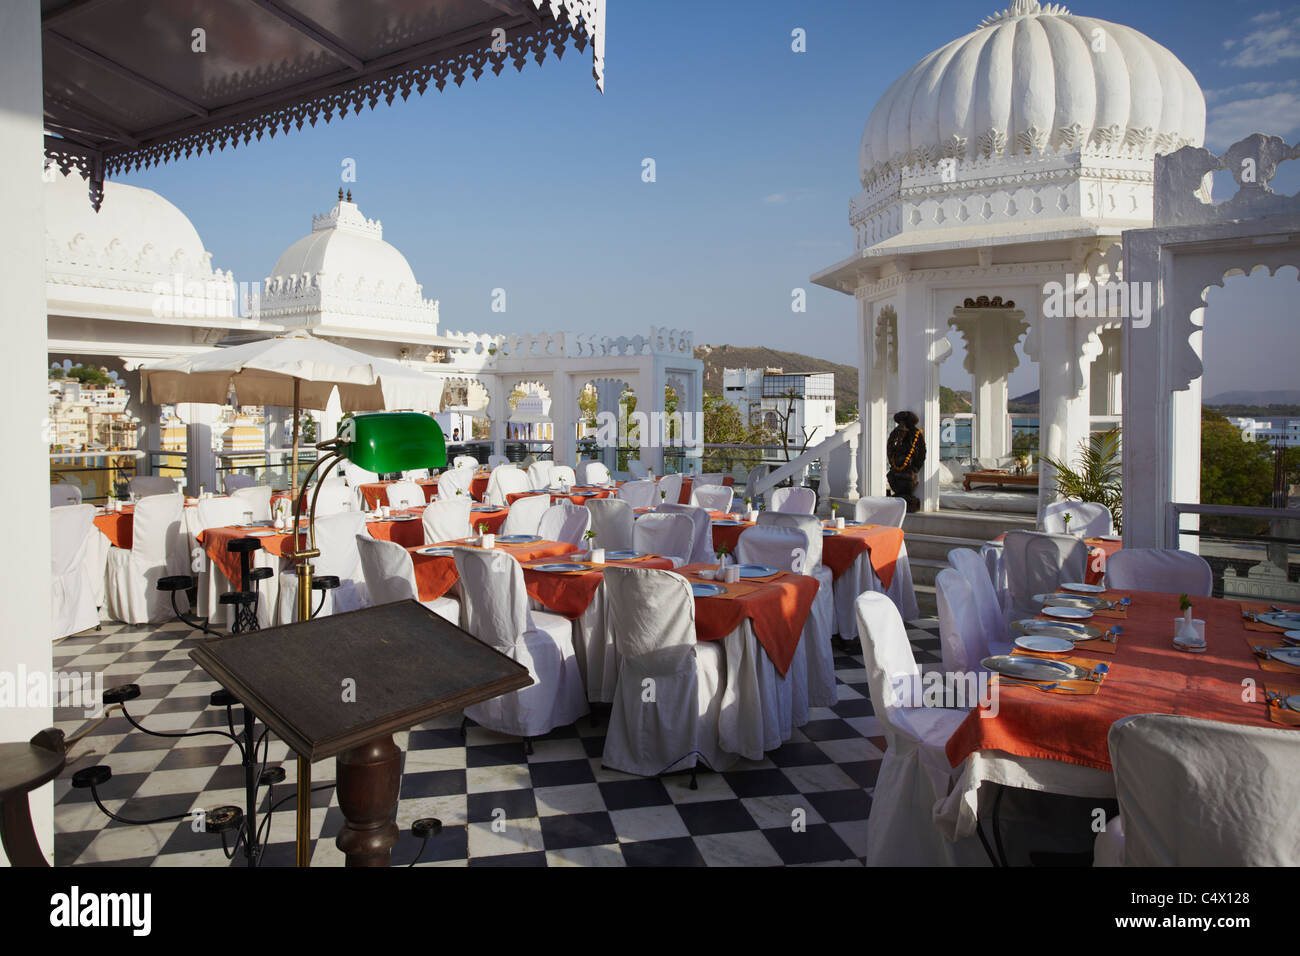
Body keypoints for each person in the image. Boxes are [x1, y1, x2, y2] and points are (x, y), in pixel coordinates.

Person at [886, 410, 925, 513]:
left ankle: (907, 498)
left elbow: (921, 453)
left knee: (910, 478)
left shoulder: (915, 435)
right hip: (897, 465)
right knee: (890, 475)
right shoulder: (895, 435)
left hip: (909, 468)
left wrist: (915, 468)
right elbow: (890, 449)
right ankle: (898, 494)